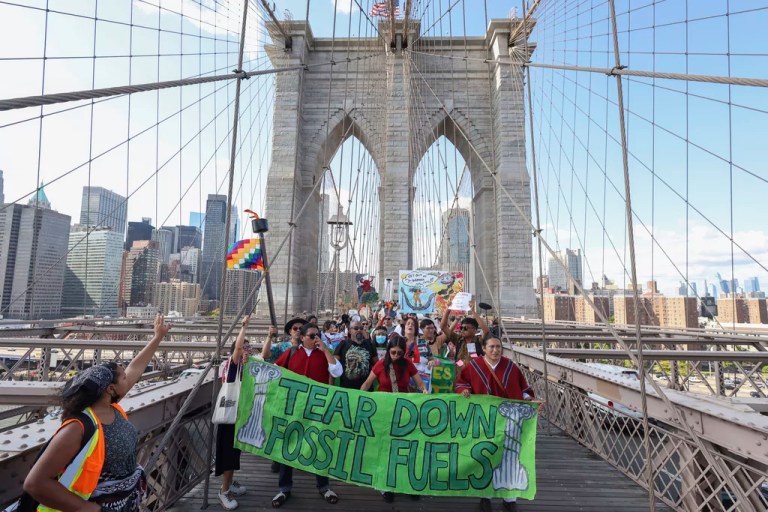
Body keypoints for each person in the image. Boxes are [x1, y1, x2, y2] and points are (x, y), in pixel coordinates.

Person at [23, 314, 172, 512]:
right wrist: (85, 508)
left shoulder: (113, 408)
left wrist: (157, 337)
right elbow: (35, 483)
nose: (128, 378)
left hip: (123, 503)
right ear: (110, 389)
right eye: (123, 377)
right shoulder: (79, 427)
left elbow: (135, 368)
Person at [455, 336, 536, 512]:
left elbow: (523, 389)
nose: (495, 350)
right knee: (486, 456)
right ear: (484, 348)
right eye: (491, 347)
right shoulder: (474, 366)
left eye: (498, 347)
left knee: (511, 456)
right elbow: (460, 382)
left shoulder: (510, 366)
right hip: (485, 420)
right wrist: (464, 391)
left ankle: (510, 497)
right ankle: (485, 496)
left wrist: (529, 399)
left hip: (510, 420)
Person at [272, 323, 343, 507]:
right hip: (294, 407)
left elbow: (337, 371)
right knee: (289, 445)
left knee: (319, 445)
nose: (315, 338)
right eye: (311, 336)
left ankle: (324, 485)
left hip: (317, 409)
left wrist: (325, 349)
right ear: (302, 338)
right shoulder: (292, 353)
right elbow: (274, 370)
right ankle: (284, 488)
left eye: (317, 335)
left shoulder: (323, 354)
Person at [360, 335, 428, 502]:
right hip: (384, 411)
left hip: (404, 411)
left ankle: (407, 484)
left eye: (399, 353)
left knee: (406, 447)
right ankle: (385, 485)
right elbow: (367, 384)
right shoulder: (380, 365)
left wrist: (424, 391)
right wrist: (359, 399)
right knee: (386, 447)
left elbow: (419, 383)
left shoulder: (408, 364)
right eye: (393, 352)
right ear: (388, 350)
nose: (396, 356)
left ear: (404, 352)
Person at [216, 314, 255, 510]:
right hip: (230, 417)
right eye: (245, 348)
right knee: (229, 455)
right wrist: (244, 327)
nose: (248, 351)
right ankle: (224, 491)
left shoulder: (246, 368)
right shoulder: (233, 366)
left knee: (235, 453)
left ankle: (230, 483)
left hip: (239, 416)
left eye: (249, 348)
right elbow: (238, 348)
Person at [437, 301, 490, 369]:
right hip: (460, 373)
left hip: (475, 372)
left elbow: (486, 330)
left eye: (465, 328)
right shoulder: (458, 339)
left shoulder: (478, 340)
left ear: (474, 330)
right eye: (461, 328)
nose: (462, 330)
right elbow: (443, 327)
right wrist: (448, 309)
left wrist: (473, 311)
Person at [334, 319, 378, 390]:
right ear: (349, 330)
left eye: (361, 328)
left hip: (366, 391)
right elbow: (333, 366)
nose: (359, 330)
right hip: (347, 390)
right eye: (356, 328)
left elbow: (377, 366)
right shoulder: (342, 345)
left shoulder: (370, 345)